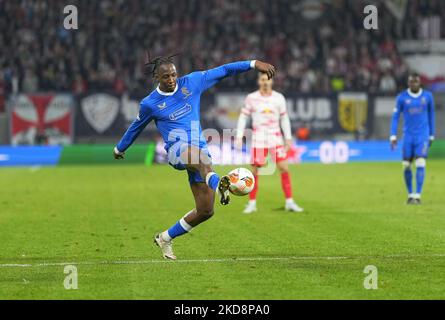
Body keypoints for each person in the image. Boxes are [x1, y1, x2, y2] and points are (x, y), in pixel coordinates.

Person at [114, 54, 276, 259]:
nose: (171, 79)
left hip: (200, 150)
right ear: (156, 77)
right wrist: (120, 148)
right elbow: (136, 127)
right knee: (202, 161)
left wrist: (254, 64)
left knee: (206, 210)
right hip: (177, 150)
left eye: (173, 74)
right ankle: (221, 184)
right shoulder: (150, 103)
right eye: (166, 77)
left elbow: (225, 70)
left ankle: (165, 238)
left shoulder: (191, 82)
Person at [236, 72, 304, 214]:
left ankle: (289, 202)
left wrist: (288, 137)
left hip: (275, 138)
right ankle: (252, 203)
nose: (265, 82)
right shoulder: (251, 98)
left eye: (268, 80)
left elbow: (284, 119)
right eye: (262, 79)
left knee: (284, 168)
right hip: (258, 139)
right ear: (259, 81)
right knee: (255, 171)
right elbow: (243, 117)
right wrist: (239, 135)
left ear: (272, 82)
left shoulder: (279, 98)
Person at [390, 73, 435, 204]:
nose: (413, 84)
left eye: (415, 82)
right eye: (411, 82)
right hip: (408, 136)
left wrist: (431, 134)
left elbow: (432, 116)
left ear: (419, 83)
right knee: (406, 165)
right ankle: (410, 195)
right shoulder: (402, 98)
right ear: (408, 83)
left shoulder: (427, 97)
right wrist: (393, 135)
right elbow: (395, 117)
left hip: (422, 136)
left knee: (421, 162)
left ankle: (418, 195)